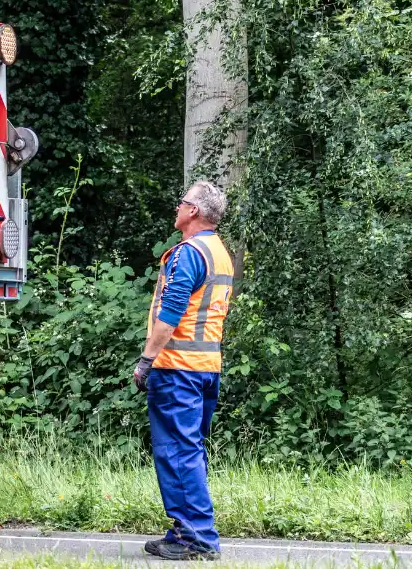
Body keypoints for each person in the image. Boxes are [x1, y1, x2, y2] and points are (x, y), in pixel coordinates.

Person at [132, 181, 235, 562]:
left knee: (177, 452)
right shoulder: (219, 252)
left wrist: (146, 360)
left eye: (182, 201)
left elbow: (170, 313)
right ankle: (188, 530)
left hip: (177, 369)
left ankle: (195, 538)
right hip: (206, 368)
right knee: (189, 452)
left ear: (193, 211)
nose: (177, 206)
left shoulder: (189, 253)